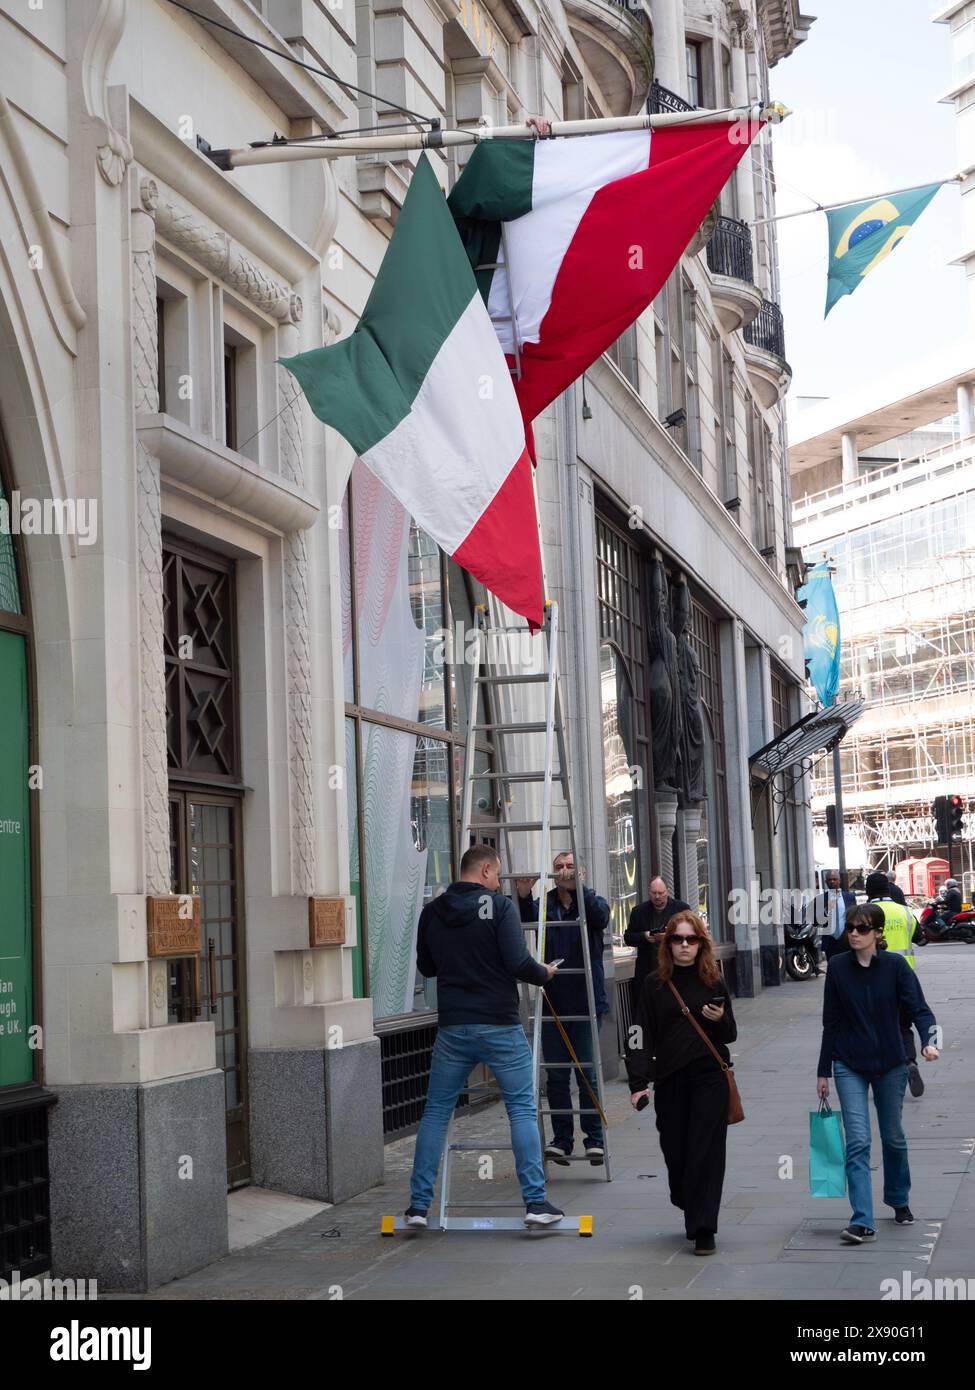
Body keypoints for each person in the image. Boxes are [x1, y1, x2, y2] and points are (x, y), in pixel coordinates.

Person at [407, 843, 564, 1228]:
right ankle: (535, 1203)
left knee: (436, 1113)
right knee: (522, 1109)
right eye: (495, 874)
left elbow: (426, 966)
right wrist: (544, 974)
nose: (496, 881)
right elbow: (517, 963)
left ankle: (417, 1207)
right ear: (486, 871)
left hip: (453, 1026)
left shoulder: (432, 912)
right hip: (498, 1023)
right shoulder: (500, 908)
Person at [816, 904, 939, 1245]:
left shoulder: (896, 967)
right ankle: (862, 1220)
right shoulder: (838, 968)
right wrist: (823, 1070)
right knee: (857, 1141)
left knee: (893, 1137)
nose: (854, 933)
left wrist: (929, 1042)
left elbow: (919, 1009)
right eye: (850, 927)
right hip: (849, 1063)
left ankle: (898, 1199)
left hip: (891, 1063)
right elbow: (831, 1021)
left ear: (878, 933)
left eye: (862, 928)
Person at [627, 912, 738, 1256]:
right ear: (668, 944)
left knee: (705, 1153)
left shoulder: (713, 981)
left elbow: (730, 1033)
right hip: (671, 1079)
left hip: (709, 1078)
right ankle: (684, 1196)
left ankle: (704, 1228)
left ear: (701, 944)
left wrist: (720, 1021)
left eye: (692, 939)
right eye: (678, 939)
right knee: (676, 1153)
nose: (685, 946)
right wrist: (638, 1081)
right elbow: (639, 1034)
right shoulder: (653, 984)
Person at [517, 852, 611, 1166]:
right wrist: (521, 894)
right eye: (559, 867)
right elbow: (523, 921)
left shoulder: (591, 900)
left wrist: (579, 888)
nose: (564, 871)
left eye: (570, 866)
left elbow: (601, 918)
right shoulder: (545, 903)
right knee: (556, 1076)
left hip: (586, 1001)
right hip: (553, 1003)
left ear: (581, 871)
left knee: (587, 1073)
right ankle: (562, 1140)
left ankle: (594, 1139)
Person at [865, 871, 926, 1097]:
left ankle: (882, 1073)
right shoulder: (906, 912)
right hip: (904, 978)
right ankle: (910, 1062)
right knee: (903, 1025)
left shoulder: (865, 915)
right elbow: (920, 938)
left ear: (868, 891)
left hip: (872, 979)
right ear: (888, 889)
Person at [623, 877, 691, 994]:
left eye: (661, 893)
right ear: (649, 892)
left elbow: (692, 935)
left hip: (675, 970)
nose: (657, 896)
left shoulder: (681, 909)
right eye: (654, 893)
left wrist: (670, 937)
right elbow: (628, 938)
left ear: (667, 891)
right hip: (647, 971)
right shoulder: (639, 911)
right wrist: (644, 936)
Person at [807, 870, 857, 962]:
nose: (832, 882)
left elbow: (854, 918)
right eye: (830, 880)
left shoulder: (850, 898)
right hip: (830, 942)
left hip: (847, 940)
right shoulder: (820, 900)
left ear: (839, 880)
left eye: (835, 879)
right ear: (826, 882)